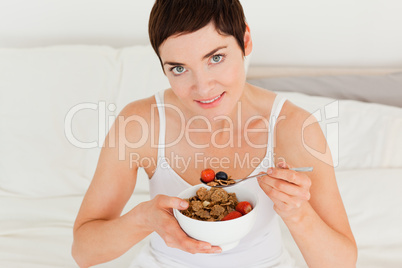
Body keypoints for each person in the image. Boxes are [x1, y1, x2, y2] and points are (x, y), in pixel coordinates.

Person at [72, 0, 357, 267]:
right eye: (180, 68)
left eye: (216, 58)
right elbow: (83, 251)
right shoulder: (139, 123)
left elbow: (343, 262)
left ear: (245, 41)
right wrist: (144, 219)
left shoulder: (292, 127)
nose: (203, 88)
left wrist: (298, 213)